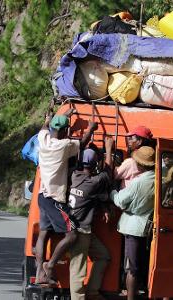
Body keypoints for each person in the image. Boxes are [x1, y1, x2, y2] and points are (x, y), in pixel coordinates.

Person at [35, 106, 98, 285]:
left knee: (43, 234)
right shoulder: (63, 146)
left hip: (42, 196)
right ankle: (50, 265)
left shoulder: (44, 139)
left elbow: (44, 127)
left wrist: (52, 118)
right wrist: (91, 129)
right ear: (64, 131)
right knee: (72, 235)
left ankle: (40, 272)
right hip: (55, 199)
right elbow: (83, 144)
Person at [110, 146, 155, 300]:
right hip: (145, 227)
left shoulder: (139, 182)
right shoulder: (158, 179)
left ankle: (130, 296)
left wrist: (112, 192)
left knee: (131, 268)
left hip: (132, 227)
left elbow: (120, 200)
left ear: (141, 164)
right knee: (138, 263)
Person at [68, 147, 112, 300]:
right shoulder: (93, 182)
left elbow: (94, 196)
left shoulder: (75, 176)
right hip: (80, 231)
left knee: (103, 256)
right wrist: (109, 148)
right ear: (95, 165)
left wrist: (103, 206)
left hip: (81, 230)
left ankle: (92, 292)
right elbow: (108, 173)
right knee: (78, 269)